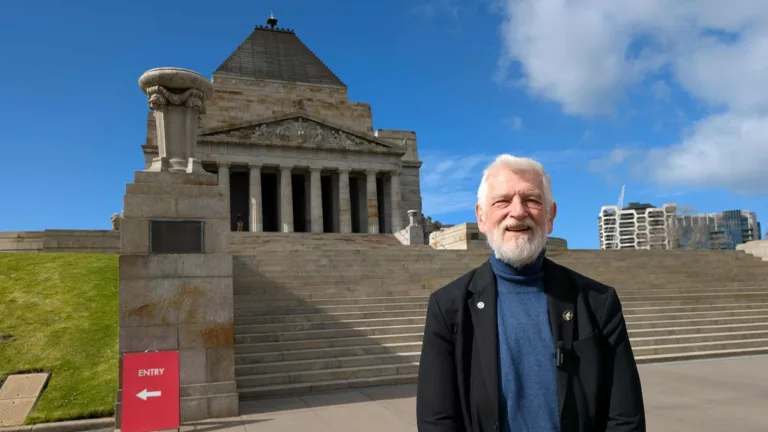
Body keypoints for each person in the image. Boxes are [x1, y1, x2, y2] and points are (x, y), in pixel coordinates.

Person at [416, 154, 645, 432]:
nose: (518, 211)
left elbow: (625, 417)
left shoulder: (598, 302)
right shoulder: (448, 307)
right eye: (502, 201)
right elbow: (437, 421)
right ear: (481, 217)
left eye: (532, 200)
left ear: (550, 216)